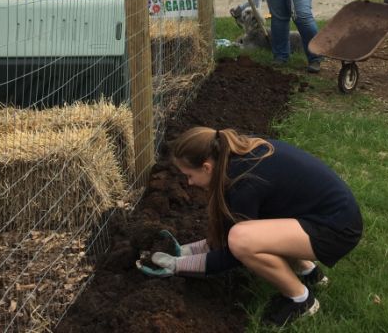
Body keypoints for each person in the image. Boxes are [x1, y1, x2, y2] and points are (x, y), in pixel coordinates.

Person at [141, 127, 363, 328]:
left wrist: (178, 265)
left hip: (336, 229)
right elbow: (230, 230)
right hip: (328, 215)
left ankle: (301, 300)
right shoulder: (236, 153)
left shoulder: (244, 182)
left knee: (242, 239)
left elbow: (234, 253)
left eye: (189, 175)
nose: (188, 183)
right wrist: (186, 250)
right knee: (251, 230)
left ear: (207, 167)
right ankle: (309, 273)